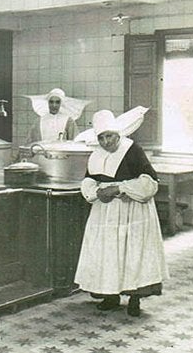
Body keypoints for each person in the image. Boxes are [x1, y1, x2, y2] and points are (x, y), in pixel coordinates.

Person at [74, 109, 168, 317]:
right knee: (108, 253)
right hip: (105, 211)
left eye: (109, 136)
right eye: (101, 138)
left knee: (132, 253)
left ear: (118, 134)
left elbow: (149, 183)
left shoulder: (132, 150)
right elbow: (89, 179)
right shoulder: (96, 154)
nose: (106, 142)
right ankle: (111, 296)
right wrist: (96, 191)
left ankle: (135, 298)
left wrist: (119, 188)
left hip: (132, 210)